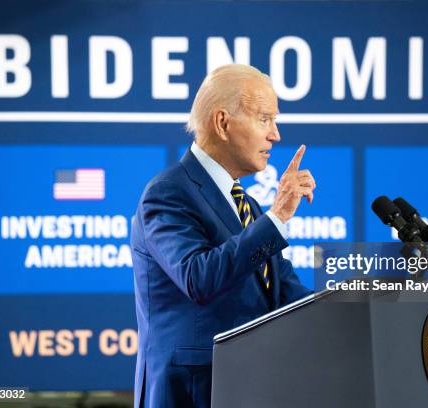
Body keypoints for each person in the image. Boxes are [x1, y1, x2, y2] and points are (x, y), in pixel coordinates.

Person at [131, 64, 315, 408]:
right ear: (222, 123)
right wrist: (276, 218)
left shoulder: (251, 208)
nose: (275, 134)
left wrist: (363, 297)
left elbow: (288, 296)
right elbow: (197, 277)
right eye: (265, 119)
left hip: (250, 386)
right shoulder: (168, 193)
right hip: (191, 393)